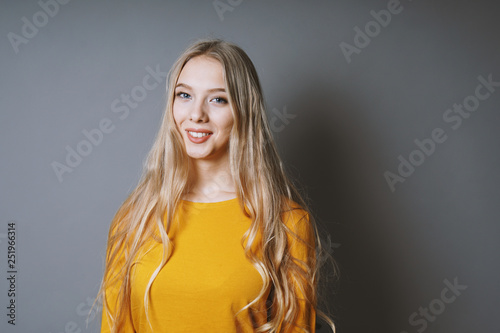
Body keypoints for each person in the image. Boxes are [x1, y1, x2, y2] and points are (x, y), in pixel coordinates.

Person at [93, 38, 336, 332]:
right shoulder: (135, 218)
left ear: (244, 111)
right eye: (184, 95)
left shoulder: (286, 223)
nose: (196, 114)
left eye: (218, 99)